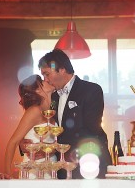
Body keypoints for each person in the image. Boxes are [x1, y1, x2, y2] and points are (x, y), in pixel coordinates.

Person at [38, 49, 111, 179]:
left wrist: (59, 149)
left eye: (47, 74)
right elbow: (47, 125)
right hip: (62, 168)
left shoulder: (91, 90)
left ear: (61, 69)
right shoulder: (53, 96)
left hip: (89, 163)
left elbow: (91, 128)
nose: (46, 80)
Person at [0, 74, 56, 179]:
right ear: (38, 90)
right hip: (34, 170)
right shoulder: (34, 111)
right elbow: (13, 142)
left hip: (52, 169)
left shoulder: (52, 111)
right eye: (43, 81)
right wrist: (7, 173)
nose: (47, 80)